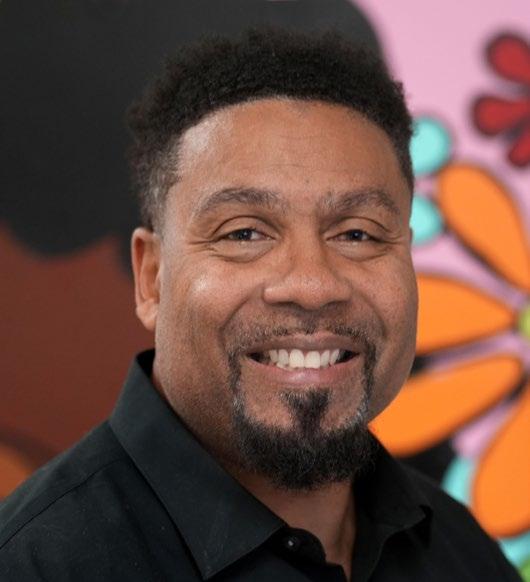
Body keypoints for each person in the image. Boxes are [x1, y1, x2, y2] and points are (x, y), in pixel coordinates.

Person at [0, 28, 522, 582]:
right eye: (244, 233)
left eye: (358, 234)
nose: (312, 284)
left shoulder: (463, 552)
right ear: (151, 278)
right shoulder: (33, 565)